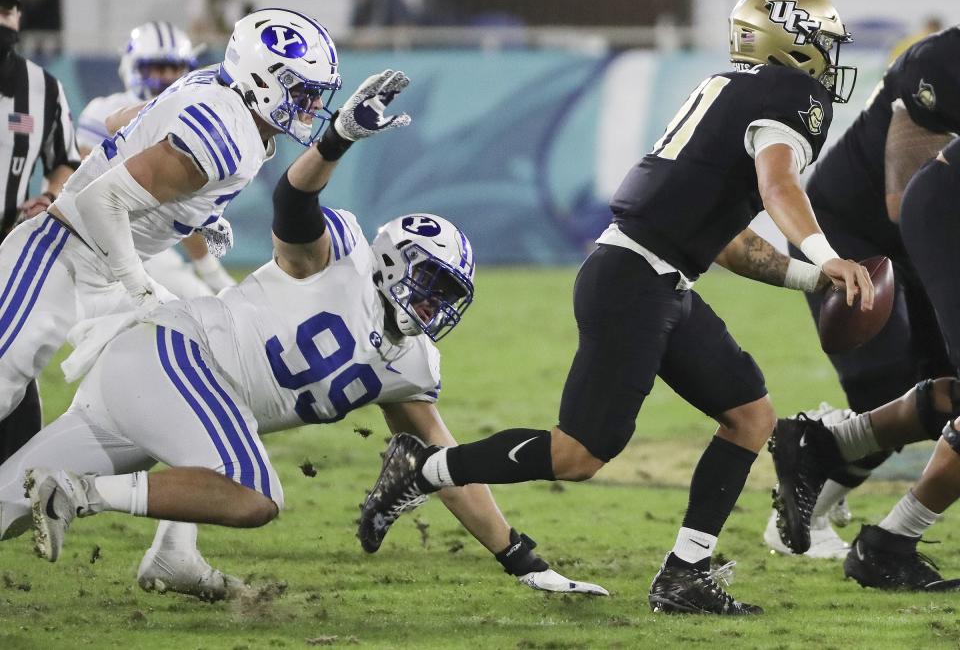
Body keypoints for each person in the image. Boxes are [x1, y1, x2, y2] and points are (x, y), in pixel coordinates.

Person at [357, 0, 874, 615]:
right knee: (578, 455)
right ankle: (423, 469)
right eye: (821, 38)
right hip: (634, 280)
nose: (828, 52)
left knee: (750, 414)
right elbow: (779, 185)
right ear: (787, 38)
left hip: (654, 278)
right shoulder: (790, 95)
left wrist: (808, 278)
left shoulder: (732, 94)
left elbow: (728, 241)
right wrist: (828, 254)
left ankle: (685, 574)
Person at [0, 128, 608, 598]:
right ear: (392, 262)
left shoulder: (411, 364)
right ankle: (82, 494)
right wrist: (336, 138)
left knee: (7, 505)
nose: (432, 306)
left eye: (445, 297)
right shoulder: (337, 253)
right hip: (176, 356)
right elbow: (293, 200)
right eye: (426, 284)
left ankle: (109, 515)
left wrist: (521, 559)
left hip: (158, 386)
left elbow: (445, 467)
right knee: (252, 493)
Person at [0, 7, 346, 460]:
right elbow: (98, 201)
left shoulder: (226, 95)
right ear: (263, 80)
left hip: (99, 266)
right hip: (58, 258)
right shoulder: (225, 131)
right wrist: (139, 287)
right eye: (303, 91)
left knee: (187, 372)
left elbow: (122, 121)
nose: (314, 106)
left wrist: (194, 209)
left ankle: (57, 485)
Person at [771, 26, 960, 559]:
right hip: (851, 229)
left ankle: (819, 475)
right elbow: (906, 200)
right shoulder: (944, 64)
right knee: (884, 388)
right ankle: (803, 516)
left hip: (929, 235)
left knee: (941, 390)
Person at [77, 21, 234, 298]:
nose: (169, 77)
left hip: (149, 244)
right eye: (159, 68)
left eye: (176, 68)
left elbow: (183, 208)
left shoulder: (189, 118)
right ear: (134, 67)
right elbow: (87, 189)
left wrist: (208, 268)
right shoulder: (104, 113)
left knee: (201, 306)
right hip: (98, 241)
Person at [0, 0, 80, 463]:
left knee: (13, 369)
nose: (3, 21)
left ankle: (14, 484)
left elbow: (65, 159)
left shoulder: (41, 88)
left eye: (7, 11)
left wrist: (51, 195)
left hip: (6, 249)